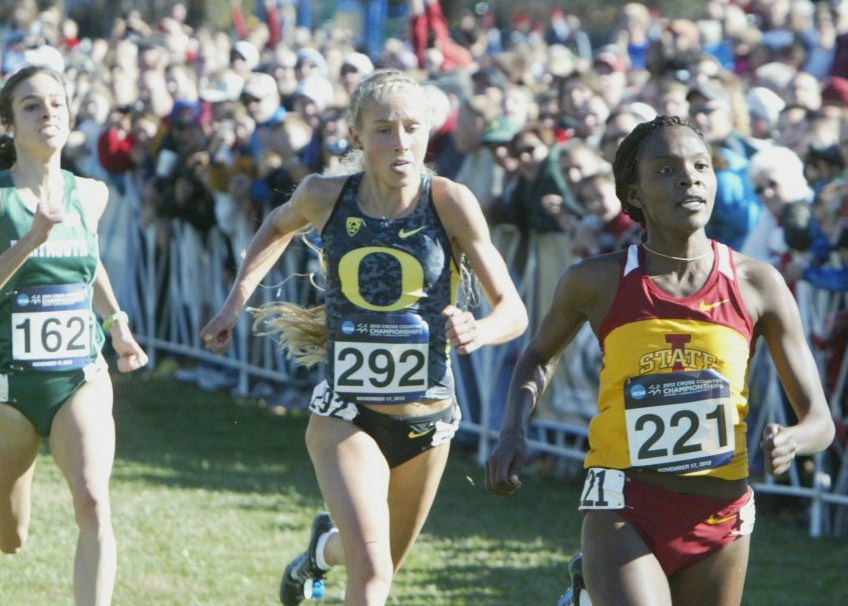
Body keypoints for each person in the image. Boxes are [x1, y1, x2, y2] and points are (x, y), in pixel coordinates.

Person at [200, 68, 527, 606]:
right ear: (356, 136)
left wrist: (482, 328)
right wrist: (236, 302)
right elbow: (277, 227)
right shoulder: (326, 195)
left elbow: (512, 310)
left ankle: (316, 552)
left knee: (374, 564)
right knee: (372, 572)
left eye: (412, 127)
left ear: (428, 133)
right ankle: (328, 550)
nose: (400, 141)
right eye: (383, 128)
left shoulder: (449, 200)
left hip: (429, 418)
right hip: (346, 413)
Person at [485, 115, 835, 606]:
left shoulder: (759, 284)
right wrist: (513, 430)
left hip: (723, 512)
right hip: (624, 502)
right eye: (666, 170)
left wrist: (794, 439)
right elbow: (538, 357)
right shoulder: (596, 280)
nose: (689, 178)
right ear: (634, 193)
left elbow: (820, 420)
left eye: (700, 166)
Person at [0, 65, 148, 606]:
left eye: (56, 104)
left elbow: (88, 265)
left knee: (92, 502)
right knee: (9, 538)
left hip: (79, 374)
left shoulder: (91, 192)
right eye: (32, 106)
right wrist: (29, 241)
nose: (48, 115)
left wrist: (118, 325)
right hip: (7, 388)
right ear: (9, 124)